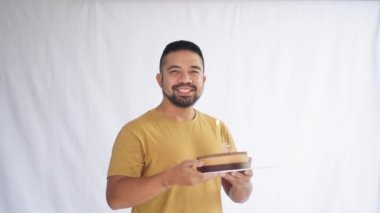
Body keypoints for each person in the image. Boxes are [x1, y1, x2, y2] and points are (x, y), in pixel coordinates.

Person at [106, 40, 253, 213]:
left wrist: (243, 183)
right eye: (175, 71)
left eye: (194, 71)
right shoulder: (135, 131)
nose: (185, 79)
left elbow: (239, 196)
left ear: (203, 80)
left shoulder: (218, 127)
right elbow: (114, 199)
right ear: (160, 80)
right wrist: (167, 179)